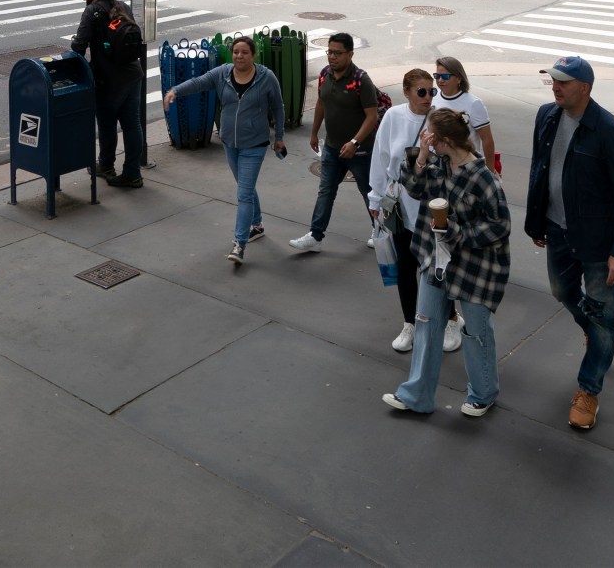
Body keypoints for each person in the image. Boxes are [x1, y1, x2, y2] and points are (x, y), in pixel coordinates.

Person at [523, 55, 614, 431]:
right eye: (552, 81)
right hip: (557, 229)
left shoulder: (610, 131)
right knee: (561, 291)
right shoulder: (546, 115)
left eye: (563, 82)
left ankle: (589, 389)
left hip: (596, 241)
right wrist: (536, 219)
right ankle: (593, 331)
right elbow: (540, 168)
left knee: (604, 315)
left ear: (584, 88)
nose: (555, 87)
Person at [383, 108, 511, 419]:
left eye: (430, 136)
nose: (425, 138)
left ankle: (484, 393)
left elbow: (500, 226)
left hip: (475, 267)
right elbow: (412, 186)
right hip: (435, 259)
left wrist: (457, 232)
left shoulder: (483, 179)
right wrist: (423, 155)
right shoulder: (438, 163)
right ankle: (417, 396)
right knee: (426, 325)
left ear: (446, 140)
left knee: (477, 331)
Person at [164, 35, 285, 264]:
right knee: (245, 188)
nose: (239, 56)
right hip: (230, 142)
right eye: (236, 52)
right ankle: (257, 224)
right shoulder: (222, 73)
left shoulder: (266, 77)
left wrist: (279, 137)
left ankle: (239, 243)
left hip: (255, 144)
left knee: (243, 194)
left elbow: (278, 107)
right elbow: (199, 82)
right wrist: (175, 91)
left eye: (245, 52)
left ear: (253, 55)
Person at [368, 70, 460, 354]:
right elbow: (381, 157)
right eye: (421, 92)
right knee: (405, 266)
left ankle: (451, 320)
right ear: (406, 92)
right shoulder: (393, 118)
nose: (428, 97)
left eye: (431, 91)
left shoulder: (440, 118)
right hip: (400, 205)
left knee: (438, 266)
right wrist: (376, 198)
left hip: (433, 205)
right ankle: (410, 322)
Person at [290, 33, 381, 254]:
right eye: (329, 52)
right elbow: (321, 103)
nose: (332, 57)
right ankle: (315, 236)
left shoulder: (361, 80)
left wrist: (354, 142)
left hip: (360, 151)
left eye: (337, 53)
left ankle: (380, 232)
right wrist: (314, 133)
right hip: (332, 147)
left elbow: (372, 116)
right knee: (326, 191)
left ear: (350, 54)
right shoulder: (325, 75)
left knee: (368, 192)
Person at [72, 0, 144, 189]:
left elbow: (79, 45)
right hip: (133, 72)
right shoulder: (122, 6)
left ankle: (106, 165)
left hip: (110, 79)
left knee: (106, 124)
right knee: (132, 125)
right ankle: (133, 173)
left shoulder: (92, 11)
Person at [432, 55, 496, 171]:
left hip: (467, 167)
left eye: (445, 76)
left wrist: (491, 170)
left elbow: (487, 140)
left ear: (459, 78)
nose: (440, 80)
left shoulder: (474, 103)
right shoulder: (432, 99)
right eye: (437, 76)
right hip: (440, 166)